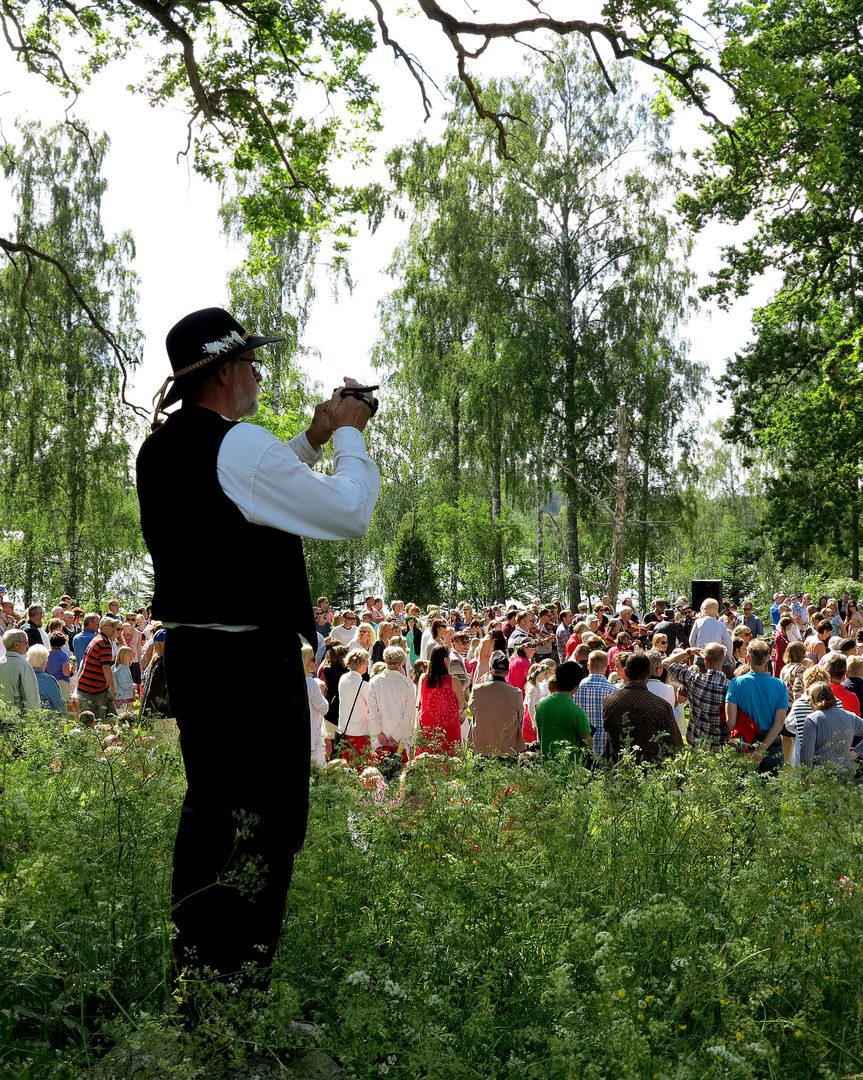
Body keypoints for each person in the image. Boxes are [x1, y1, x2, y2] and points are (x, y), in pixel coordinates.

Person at [135, 306, 379, 1002]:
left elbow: (248, 493)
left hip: (199, 661)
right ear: (220, 371)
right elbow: (346, 513)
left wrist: (313, 436)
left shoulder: (166, 444)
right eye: (248, 361)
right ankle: (238, 1002)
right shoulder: (236, 445)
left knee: (213, 820)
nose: (257, 372)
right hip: (249, 668)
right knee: (267, 831)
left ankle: (197, 992)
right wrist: (351, 440)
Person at [725, 639, 788, 772]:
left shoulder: (736, 683)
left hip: (745, 741)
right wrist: (761, 750)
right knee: (772, 790)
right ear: (768, 658)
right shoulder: (780, 685)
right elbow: (779, 723)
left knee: (744, 790)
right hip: (772, 743)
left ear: (747, 658)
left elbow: (730, 722)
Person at [664, 643, 729, 749]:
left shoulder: (693, 679)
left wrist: (690, 652)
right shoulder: (731, 687)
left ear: (705, 660)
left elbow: (666, 662)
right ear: (724, 658)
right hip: (720, 747)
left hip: (696, 745)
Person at [367, 645, 415, 770]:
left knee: (380, 770)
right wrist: (396, 736)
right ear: (402, 662)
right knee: (400, 772)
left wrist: (378, 732)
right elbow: (408, 714)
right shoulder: (408, 684)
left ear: (385, 661)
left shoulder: (375, 682)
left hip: (380, 736)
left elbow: (372, 710)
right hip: (401, 735)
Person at [468, 653, 525, 757]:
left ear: (490, 670)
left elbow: (472, 710)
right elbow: (519, 716)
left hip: (482, 747)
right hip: (507, 747)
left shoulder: (478, 689)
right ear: (507, 672)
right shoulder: (515, 692)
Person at [798, 683, 863, 773]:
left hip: (822, 775)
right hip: (846, 772)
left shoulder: (813, 720)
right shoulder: (850, 716)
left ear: (814, 700)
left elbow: (807, 753)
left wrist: (806, 779)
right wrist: (856, 752)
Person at [535, 662, 591, 764]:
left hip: (547, 767)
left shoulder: (541, 705)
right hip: (571, 769)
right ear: (577, 685)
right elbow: (588, 743)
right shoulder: (577, 712)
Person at [416, 644, 465, 755]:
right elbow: (461, 704)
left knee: (429, 756)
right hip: (449, 725)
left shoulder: (423, 678)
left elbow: (422, 700)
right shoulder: (454, 681)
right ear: (445, 660)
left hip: (428, 724)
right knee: (449, 758)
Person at [574, 650, 618, 758]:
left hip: (581, 749)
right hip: (606, 750)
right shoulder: (615, 691)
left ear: (588, 666)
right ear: (606, 666)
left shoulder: (574, 690)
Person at [76, 617, 122, 719]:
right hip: (92, 689)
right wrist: (112, 688)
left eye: (116, 626)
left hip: (93, 687)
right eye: (112, 626)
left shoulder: (98, 639)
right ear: (103, 628)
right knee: (95, 721)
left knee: (112, 717)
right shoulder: (103, 643)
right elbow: (106, 668)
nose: (115, 629)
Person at [0, 630, 41, 713]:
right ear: (16, 644)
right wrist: (34, 717)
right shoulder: (23, 665)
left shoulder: (1, 662)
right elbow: (30, 694)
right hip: (17, 716)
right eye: (26, 642)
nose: (27, 646)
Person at [302, 643, 328, 768]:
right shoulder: (311, 683)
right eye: (313, 659)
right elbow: (323, 708)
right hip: (312, 731)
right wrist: (321, 690)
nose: (316, 663)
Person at [27, 645, 65, 713]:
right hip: (48, 719)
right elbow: (58, 704)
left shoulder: (24, 677)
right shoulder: (48, 680)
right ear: (43, 663)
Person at [113, 646, 137, 713]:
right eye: (129, 656)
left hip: (120, 696)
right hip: (122, 696)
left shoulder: (119, 667)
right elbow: (124, 684)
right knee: (122, 713)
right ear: (124, 656)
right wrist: (133, 686)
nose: (131, 658)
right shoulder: (122, 669)